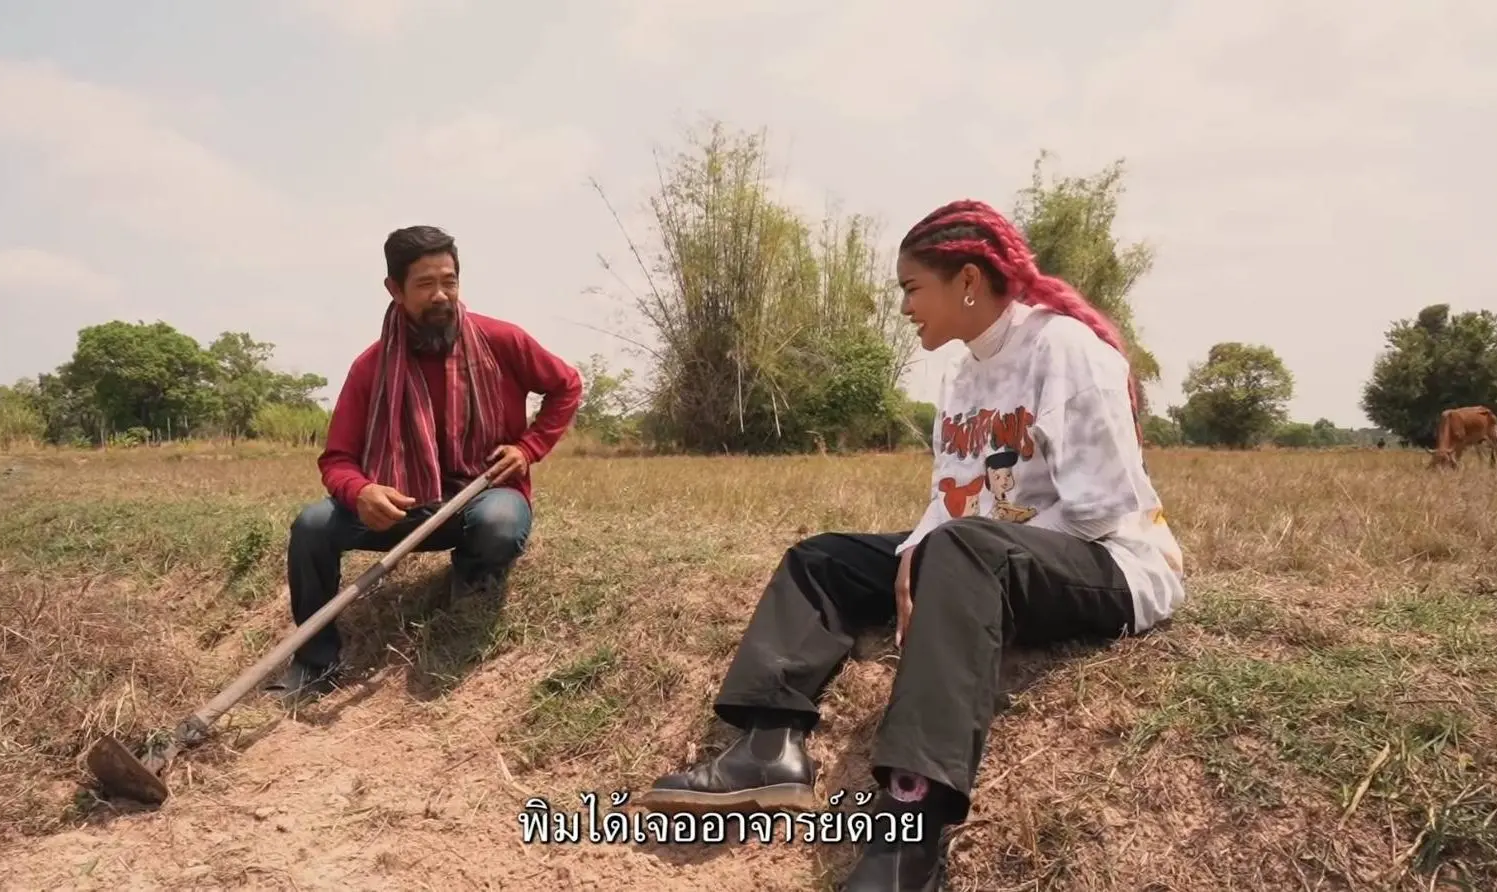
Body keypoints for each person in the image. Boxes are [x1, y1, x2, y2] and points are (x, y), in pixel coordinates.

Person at [641, 200, 1186, 891]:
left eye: (911, 288)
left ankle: (910, 829)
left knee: (962, 550)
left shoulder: (1067, 351)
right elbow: (952, 497)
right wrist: (917, 553)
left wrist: (950, 556)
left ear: (967, 281)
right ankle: (769, 745)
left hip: (1111, 562)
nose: (903, 308)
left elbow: (1101, 512)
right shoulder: (962, 375)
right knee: (823, 561)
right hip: (985, 555)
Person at [267, 225, 582, 701]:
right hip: (402, 509)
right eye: (425, 284)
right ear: (394, 289)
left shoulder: (502, 341)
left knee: (499, 523)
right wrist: (361, 492)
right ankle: (316, 663)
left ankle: (464, 615)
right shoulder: (371, 367)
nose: (441, 295)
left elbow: (566, 386)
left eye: (449, 281)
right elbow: (337, 459)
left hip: (481, 496)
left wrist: (527, 448)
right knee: (312, 526)